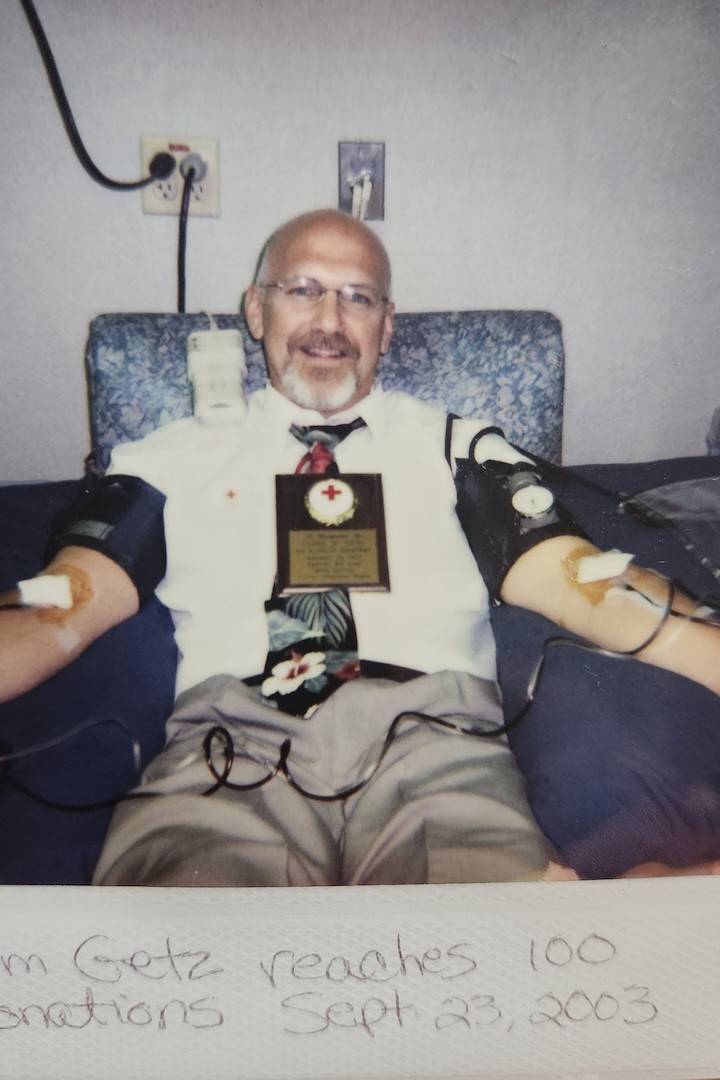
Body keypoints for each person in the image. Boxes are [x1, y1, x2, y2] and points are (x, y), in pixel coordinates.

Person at [1, 209, 718, 886]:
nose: (329, 322)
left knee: (487, 953)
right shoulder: (163, 457)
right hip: (231, 746)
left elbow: (577, 575)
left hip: (434, 742)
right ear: (256, 309)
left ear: (388, 325)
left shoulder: (459, 443)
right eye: (304, 290)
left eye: (358, 298)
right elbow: (64, 594)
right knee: (188, 961)